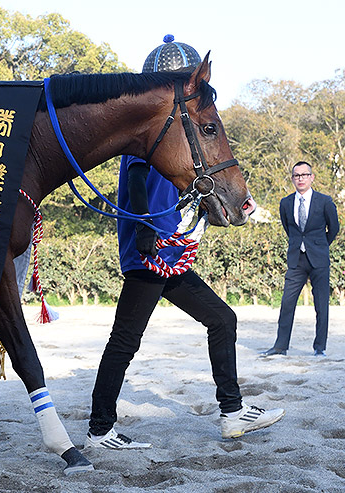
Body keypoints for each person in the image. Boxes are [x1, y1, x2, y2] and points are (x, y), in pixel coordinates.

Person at [84, 35, 284, 451]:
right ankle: (100, 429)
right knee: (124, 342)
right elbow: (138, 178)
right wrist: (142, 232)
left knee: (222, 320)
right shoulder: (146, 136)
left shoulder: (172, 137)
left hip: (167, 255)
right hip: (151, 252)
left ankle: (232, 413)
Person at [262, 161, 339, 357]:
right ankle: (280, 346)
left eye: (304, 175)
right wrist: (301, 245)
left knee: (321, 305)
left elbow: (334, 228)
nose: (301, 178)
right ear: (292, 179)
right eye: (297, 175)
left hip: (319, 260)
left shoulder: (325, 201)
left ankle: (319, 347)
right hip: (296, 260)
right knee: (287, 303)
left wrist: (320, 246)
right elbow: (290, 230)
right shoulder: (285, 203)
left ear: (312, 177)